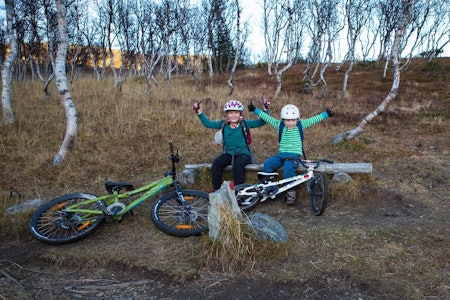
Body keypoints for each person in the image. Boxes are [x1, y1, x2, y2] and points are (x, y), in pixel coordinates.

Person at [248, 102, 334, 205]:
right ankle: (268, 186)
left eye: (293, 120)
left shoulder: (301, 124)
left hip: (293, 156)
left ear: (297, 119)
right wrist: (255, 109)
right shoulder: (279, 124)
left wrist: (326, 114)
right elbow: (267, 118)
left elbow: (314, 119)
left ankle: (290, 191)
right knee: (268, 164)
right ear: (283, 120)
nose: (290, 123)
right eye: (287, 120)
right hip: (281, 155)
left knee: (288, 168)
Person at [192, 99, 270, 191]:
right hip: (228, 153)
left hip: (243, 154)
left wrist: (265, 109)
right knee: (216, 165)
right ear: (227, 114)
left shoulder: (244, 124)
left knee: (237, 166)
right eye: (231, 113)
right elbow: (208, 124)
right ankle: (217, 191)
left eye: (236, 113)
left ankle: (239, 191)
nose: (233, 115)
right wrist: (199, 112)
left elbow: (262, 122)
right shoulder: (223, 124)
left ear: (240, 114)